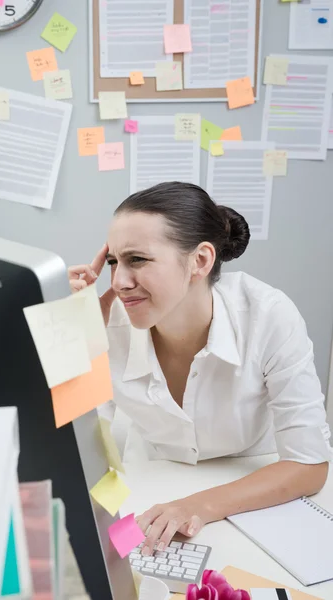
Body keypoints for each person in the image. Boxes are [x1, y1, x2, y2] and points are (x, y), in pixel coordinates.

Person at [68, 182, 331, 557]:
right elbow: (79, 453)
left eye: (137, 260)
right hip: (153, 486)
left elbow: (308, 465)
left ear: (201, 261)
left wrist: (198, 506)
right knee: (127, 573)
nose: (119, 282)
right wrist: (75, 342)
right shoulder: (105, 321)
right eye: (113, 262)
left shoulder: (269, 316)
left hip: (255, 488)